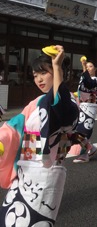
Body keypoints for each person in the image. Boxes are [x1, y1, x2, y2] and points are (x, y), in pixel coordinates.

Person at [0, 45, 78, 226]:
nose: (38, 79)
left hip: (47, 172)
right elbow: (14, 126)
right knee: (8, 218)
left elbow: (61, 108)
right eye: (35, 75)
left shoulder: (71, 101)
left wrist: (57, 66)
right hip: (24, 171)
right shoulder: (35, 102)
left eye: (43, 73)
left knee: (33, 221)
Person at [72, 59, 97, 163]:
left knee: (82, 132)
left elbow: (89, 84)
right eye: (87, 66)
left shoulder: (95, 80)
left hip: (89, 107)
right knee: (75, 131)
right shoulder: (84, 77)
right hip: (82, 106)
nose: (88, 68)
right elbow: (81, 91)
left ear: (95, 69)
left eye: (90, 66)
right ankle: (91, 148)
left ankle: (85, 154)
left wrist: (84, 67)